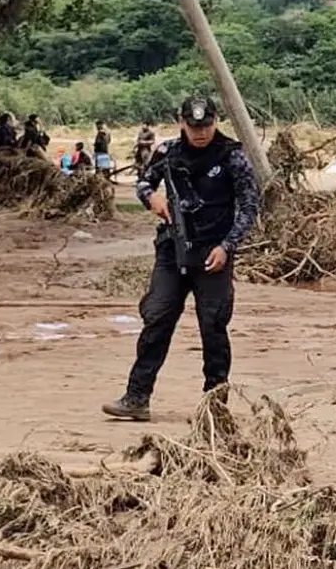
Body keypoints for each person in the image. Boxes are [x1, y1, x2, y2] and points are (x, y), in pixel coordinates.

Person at [102, 96, 260, 421]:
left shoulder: (232, 155)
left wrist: (227, 246)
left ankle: (215, 405)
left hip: (213, 252)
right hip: (172, 251)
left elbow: (249, 206)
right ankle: (136, 397)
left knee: (213, 326)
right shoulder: (168, 152)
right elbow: (143, 182)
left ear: (215, 121)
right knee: (157, 317)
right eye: (193, 126)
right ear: (182, 123)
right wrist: (152, 198)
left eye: (206, 125)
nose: (200, 132)